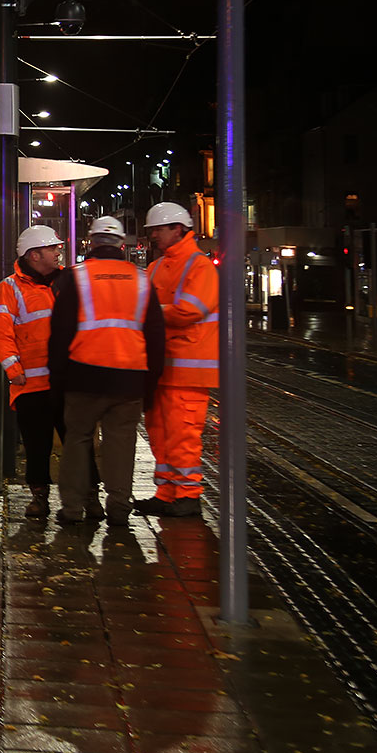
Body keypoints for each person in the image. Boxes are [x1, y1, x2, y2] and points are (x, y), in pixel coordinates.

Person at [48, 216, 164, 526]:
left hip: (83, 374)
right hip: (129, 378)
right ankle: (118, 509)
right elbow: (156, 336)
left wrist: (56, 380)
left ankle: (72, 509)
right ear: (122, 245)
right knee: (121, 444)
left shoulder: (77, 277)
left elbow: (59, 333)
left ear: (92, 243)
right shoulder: (141, 279)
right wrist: (150, 385)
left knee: (78, 440)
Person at [0, 225, 83, 519]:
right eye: (52, 248)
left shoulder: (68, 281)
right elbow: (1, 333)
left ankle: (87, 497)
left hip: (67, 382)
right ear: (34, 254)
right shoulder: (10, 288)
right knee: (37, 446)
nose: (58, 252)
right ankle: (39, 497)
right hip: (30, 383)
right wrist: (13, 370)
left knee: (77, 443)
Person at [136, 202, 218, 517]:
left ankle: (188, 495)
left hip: (188, 372)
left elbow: (189, 311)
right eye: (152, 230)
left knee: (183, 435)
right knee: (159, 432)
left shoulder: (200, 266)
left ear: (178, 229)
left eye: (158, 229)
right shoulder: (157, 267)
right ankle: (166, 493)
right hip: (161, 369)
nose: (154, 235)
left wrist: (153, 314)